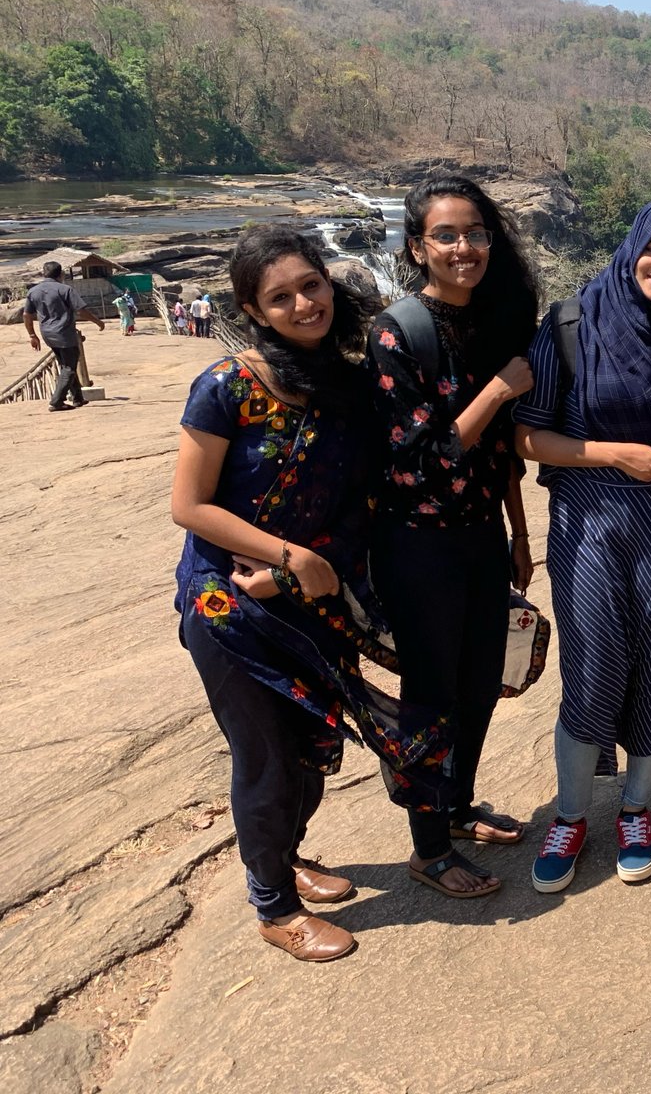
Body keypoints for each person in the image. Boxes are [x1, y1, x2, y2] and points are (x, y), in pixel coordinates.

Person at [170, 225, 451, 961]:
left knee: (313, 747)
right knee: (266, 757)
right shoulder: (226, 386)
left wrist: (305, 569)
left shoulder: (347, 387)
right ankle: (274, 906)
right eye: (280, 298)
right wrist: (286, 557)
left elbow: (363, 502)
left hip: (312, 601)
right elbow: (190, 506)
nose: (303, 305)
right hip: (231, 607)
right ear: (253, 310)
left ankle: (286, 855)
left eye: (311, 286)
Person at [514, 200, 651, 893]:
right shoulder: (572, 324)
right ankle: (571, 816)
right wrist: (615, 455)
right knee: (595, 666)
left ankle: (636, 809)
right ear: (632, 247)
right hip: (591, 517)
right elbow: (528, 436)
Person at [368, 174, 540, 898]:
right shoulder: (396, 332)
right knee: (432, 693)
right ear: (417, 247)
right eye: (446, 236)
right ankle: (429, 847)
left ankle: (459, 807)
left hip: (480, 538)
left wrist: (520, 534)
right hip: (419, 547)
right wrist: (498, 388)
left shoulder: (491, 323)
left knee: (480, 683)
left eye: (475, 233)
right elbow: (424, 457)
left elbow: (500, 452)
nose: (463, 247)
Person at [24, 260, 104, 411]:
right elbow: (81, 311)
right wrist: (98, 322)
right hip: (64, 333)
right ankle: (57, 401)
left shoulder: (33, 291)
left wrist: (32, 335)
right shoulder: (65, 290)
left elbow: (27, 315)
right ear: (61, 274)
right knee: (69, 367)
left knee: (66, 364)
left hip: (47, 333)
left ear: (43, 273)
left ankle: (78, 398)